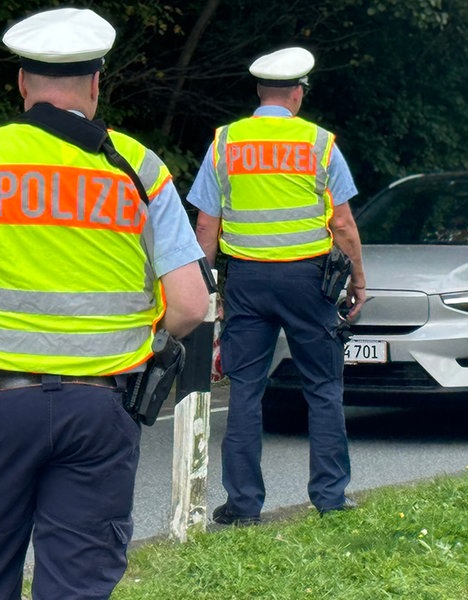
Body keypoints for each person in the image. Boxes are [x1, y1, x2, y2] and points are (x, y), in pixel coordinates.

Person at [0, 7, 209, 599]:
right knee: (79, 585)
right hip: (104, 410)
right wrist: (142, 349)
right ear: (95, 84)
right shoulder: (140, 169)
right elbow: (191, 305)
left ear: (21, 84)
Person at [187, 46, 366, 525]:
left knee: (245, 389)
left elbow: (207, 225)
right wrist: (359, 282)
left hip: (246, 281)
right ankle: (330, 498)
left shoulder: (225, 142)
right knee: (324, 387)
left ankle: (243, 506)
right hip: (309, 282)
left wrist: (207, 288)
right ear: (298, 94)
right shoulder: (319, 142)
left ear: (259, 93)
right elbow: (344, 223)